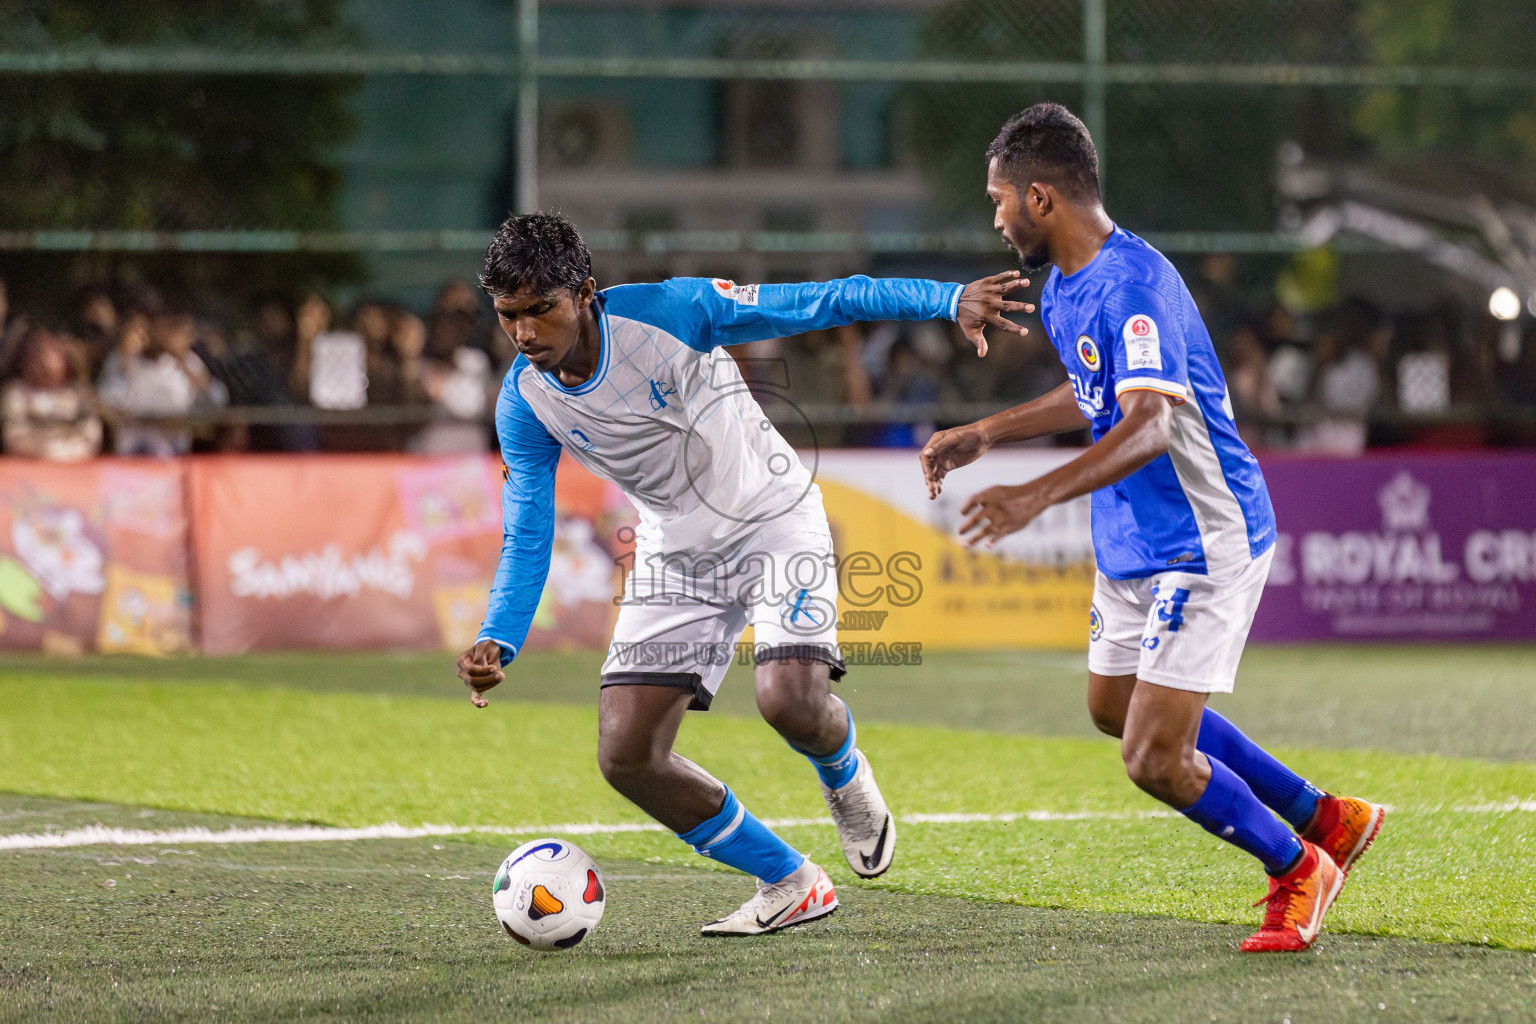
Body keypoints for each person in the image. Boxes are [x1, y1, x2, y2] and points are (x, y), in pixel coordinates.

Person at [456, 212, 1027, 936]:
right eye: (510, 316)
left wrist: (945, 300)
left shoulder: (675, 312)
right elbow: (528, 525)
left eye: (543, 309)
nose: (526, 331)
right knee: (627, 755)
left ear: (586, 293)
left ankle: (845, 774)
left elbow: (827, 299)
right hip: (675, 555)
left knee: (788, 699)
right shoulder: (523, 400)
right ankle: (791, 882)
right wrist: (499, 638)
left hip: (775, 520)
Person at [919, 104, 1384, 953]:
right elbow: (1092, 393)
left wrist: (1035, 495)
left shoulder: (1135, 285)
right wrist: (988, 433)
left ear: (1039, 197)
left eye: (998, 201)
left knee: (1154, 758)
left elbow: (1147, 427)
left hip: (1203, 539)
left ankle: (1298, 866)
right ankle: (1329, 817)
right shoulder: (1063, 284)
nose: (993, 219)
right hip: (1132, 539)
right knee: (1114, 708)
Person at [1, 325, 102, 461]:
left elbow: (91, 432)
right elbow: (12, 435)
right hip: (27, 467)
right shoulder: (15, 394)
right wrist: (46, 449)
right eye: (39, 360)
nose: (44, 369)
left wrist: (68, 450)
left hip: (73, 466)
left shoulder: (77, 396)